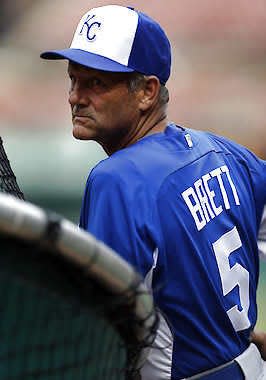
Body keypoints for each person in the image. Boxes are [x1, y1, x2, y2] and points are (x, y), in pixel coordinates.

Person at [41, 4, 266, 379]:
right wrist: (232, 337)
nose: (75, 97)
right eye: (73, 79)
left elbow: (101, 337)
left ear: (147, 91)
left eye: (96, 83)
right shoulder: (224, 152)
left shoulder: (117, 179)